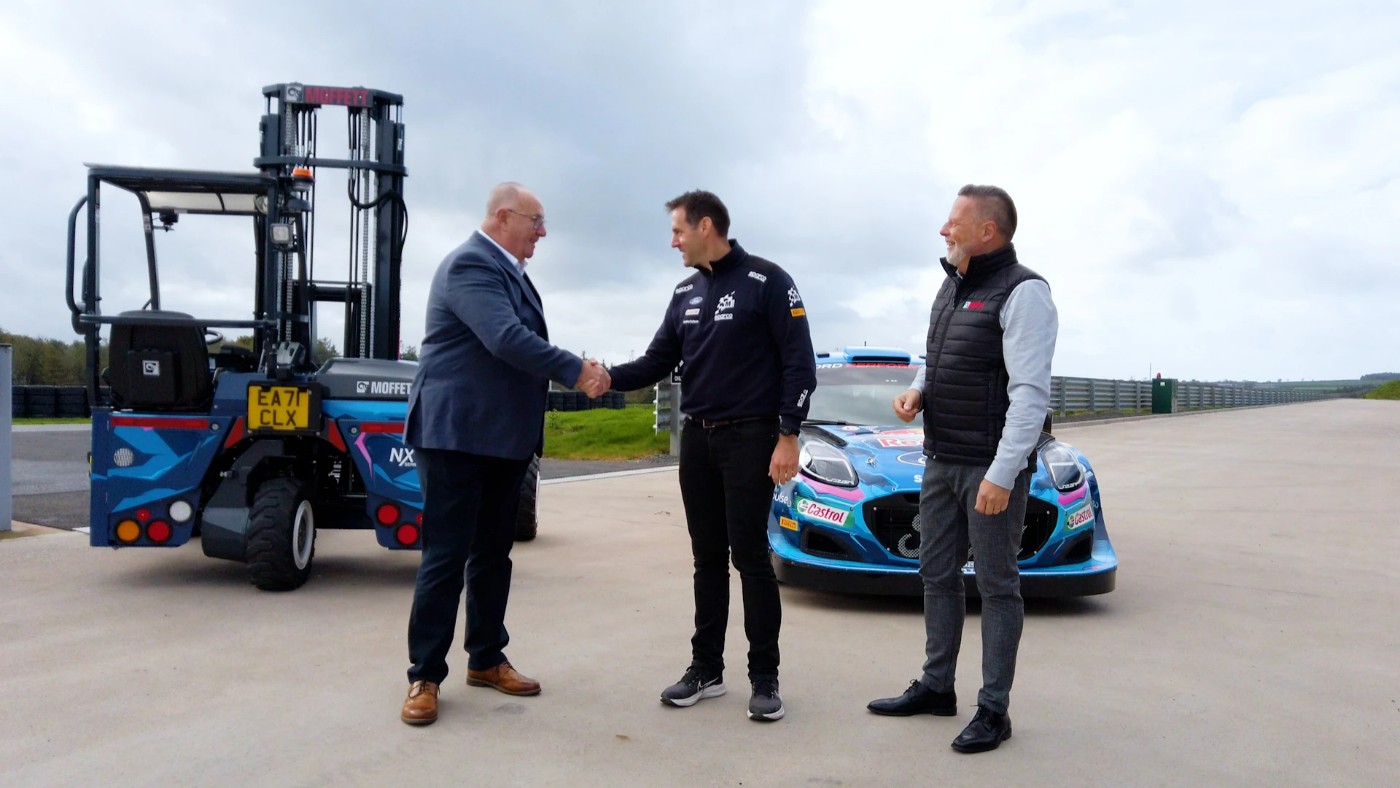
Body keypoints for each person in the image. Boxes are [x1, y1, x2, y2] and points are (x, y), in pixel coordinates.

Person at [399, 182, 610, 725]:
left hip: (503, 439)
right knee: (446, 557)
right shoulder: (470, 265)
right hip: (456, 436)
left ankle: (486, 659)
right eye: (535, 221)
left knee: (493, 555)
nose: (543, 231)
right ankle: (425, 675)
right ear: (502, 217)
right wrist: (577, 370)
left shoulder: (513, 274)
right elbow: (504, 338)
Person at [606, 190, 816, 722]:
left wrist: (787, 435)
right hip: (697, 440)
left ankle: (764, 678)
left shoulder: (768, 281)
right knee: (706, 558)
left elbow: (799, 363)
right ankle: (706, 669)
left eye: (677, 231)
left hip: (751, 438)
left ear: (705, 226)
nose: (673, 242)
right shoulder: (684, 291)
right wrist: (605, 378)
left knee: (749, 556)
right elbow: (656, 360)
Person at [866, 184, 1057, 754]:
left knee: (998, 587)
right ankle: (936, 685)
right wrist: (918, 392)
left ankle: (993, 711)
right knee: (936, 574)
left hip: (988, 469)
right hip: (940, 459)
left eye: (954, 222)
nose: (944, 231)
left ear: (987, 232)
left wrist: (1002, 474)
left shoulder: (1025, 294)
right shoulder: (951, 289)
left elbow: (1030, 395)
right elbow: (938, 358)